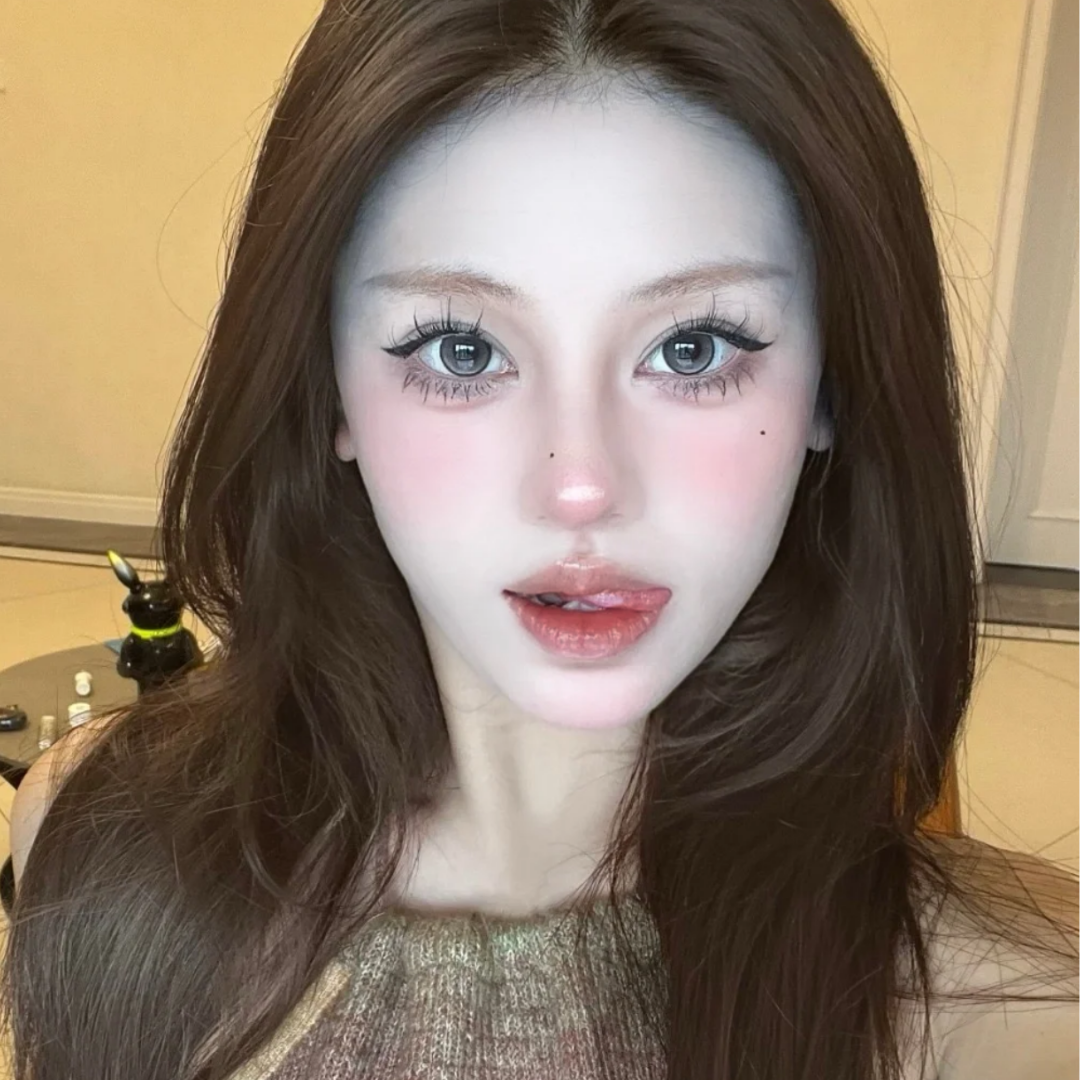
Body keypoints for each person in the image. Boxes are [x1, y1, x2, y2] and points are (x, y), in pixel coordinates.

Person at [4, 1, 1077, 1078]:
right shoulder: (96, 847)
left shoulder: (1014, 1019)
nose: (579, 486)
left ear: (830, 387)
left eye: (694, 348)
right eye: (462, 351)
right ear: (328, 390)